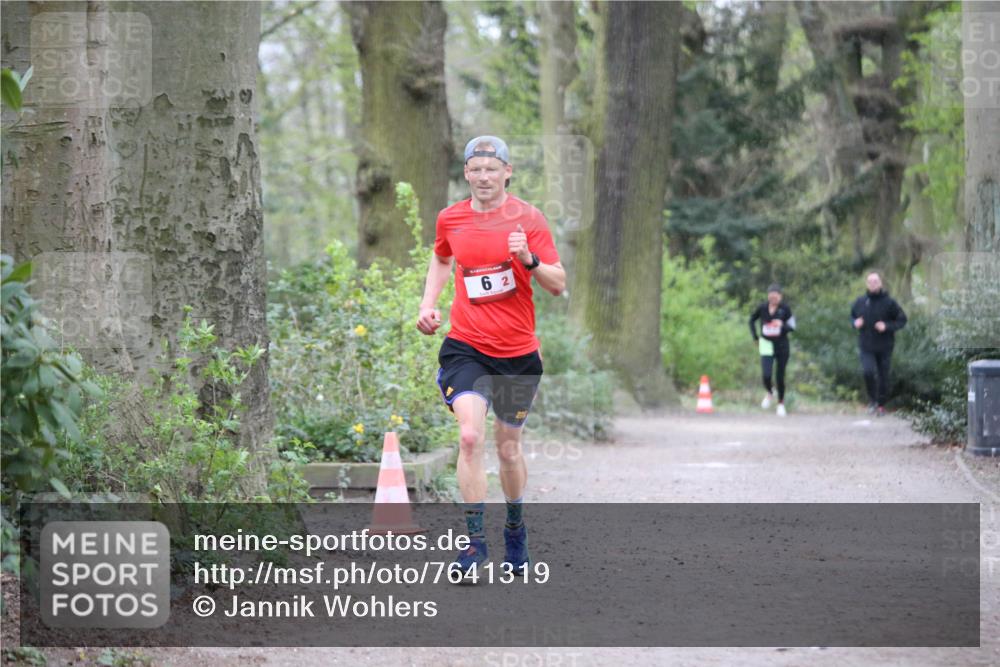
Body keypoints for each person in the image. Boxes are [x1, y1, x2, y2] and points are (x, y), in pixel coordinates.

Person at [416, 136, 565, 576]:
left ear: (507, 171)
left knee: (508, 449)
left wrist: (529, 258)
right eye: (475, 169)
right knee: (468, 437)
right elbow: (441, 259)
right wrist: (428, 304)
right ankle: (474, 545)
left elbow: (558, 284)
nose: (483, 176)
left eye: (491, 168)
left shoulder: (528, 219)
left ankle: (515, 528)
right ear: (466, 173)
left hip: (517, 353)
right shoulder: (451, 218)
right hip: (466, 347)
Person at [850, 271, 907, 416]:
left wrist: (886, 326)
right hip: (866, 344)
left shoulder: (889, 302)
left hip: (885, 345)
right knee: (868, 371)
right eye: (870, 281)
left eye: (876, 281)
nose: (873, 284)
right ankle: (872, 401)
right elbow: (852, 317)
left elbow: (902, 320)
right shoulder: (860, 301)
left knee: (883, 376)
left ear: (880, 283)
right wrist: (855, 323)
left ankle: (881, 405)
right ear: (867, 284)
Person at [749, 284, 795, 417]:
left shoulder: (785, 309)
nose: (773, 299)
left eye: (776, 297)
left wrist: (782, 325)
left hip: (782, 345)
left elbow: (792, 326)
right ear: (768, 296)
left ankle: (781, 403)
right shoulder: (762, 307)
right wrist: (755, 337)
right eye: (771, 297)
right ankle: (770, 392)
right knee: (766, 374)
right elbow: (751, 320)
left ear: (780, 296)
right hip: (766, 344)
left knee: (780, 375)